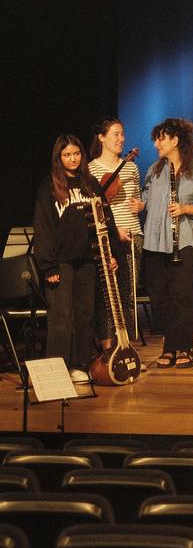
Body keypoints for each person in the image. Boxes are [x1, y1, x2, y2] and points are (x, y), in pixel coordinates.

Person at [33, 135, 116, 382]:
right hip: (60, 263)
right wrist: (48, 266)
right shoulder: (49, 186)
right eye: (67, 155)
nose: (72, 159)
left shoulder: (91, 184)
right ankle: (57, 370)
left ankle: (79, 365)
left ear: (82, 156)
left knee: (84, 315)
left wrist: (108, 254)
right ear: (59, 158)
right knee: (61, 317)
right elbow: (43, 228)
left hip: (88, 261)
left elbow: (106, 221)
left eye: (76, 154)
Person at [139, 118, 193, 368]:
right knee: (161, 296)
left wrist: (185, 208)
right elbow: (148, 198)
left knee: (182, 296)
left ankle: (185, 347)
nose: (157, 143)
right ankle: (169, 347)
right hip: (156, 242)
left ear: (175, 141)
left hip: (184, 242)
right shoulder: (153, 171)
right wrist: (141, 204)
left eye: (161, 138)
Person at [87, 118, 143, 347]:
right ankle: (108, 347)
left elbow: (138, 198)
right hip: (106, 237)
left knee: (129, 296)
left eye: (123, 135)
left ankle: (126, 346)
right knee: (106, 295)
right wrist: (112, 229)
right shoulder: (90, 169)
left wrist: (141, 205)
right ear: (101, 137)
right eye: (116, 134)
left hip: (132, 234)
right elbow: (92, 208)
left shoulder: (131, 167)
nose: (121, 139)